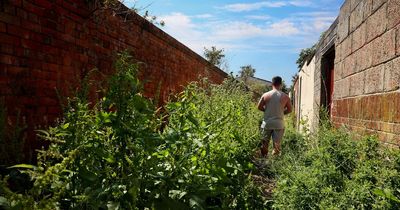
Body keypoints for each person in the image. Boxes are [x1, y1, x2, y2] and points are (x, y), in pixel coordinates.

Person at [257, 76, 292, 157]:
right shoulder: (285, 96)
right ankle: (274, 163)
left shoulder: (265, 95)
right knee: (277, 146)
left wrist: (267, 111)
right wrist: (281, 112)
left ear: (272, 83)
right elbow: (290, 110)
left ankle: (263, 161)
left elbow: (259, 107)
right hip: (279, 124)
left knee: (264, 143)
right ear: (281, 84)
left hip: (266, 123)